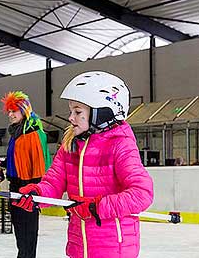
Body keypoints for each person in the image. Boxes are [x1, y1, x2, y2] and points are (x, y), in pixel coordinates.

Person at [13, 71, 154, 258]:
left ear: (102, 113)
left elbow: (142, 193)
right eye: (72, 111)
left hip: (113, 248)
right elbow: (53, 183)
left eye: (78, 112)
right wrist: (37, 195)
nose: (71, 117)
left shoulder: (120, 145)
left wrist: (98, 206)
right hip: (79, 245)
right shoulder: (70, 145)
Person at [0, 91, 52, 258]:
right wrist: (4, 163)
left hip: (27, 189)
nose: (11, 115)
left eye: (14, 111)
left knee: (27, 232)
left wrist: (33, 193)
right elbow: (19, 160)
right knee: (19, 231)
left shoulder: (33, 134)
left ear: (24, 111)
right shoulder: (17, 133)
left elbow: (38, 165)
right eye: (9, 112)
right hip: (15, 186)